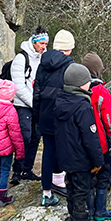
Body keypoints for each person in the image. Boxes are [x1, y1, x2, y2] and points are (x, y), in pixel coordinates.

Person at [54, 63, 104, 221]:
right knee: (82, 191)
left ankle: (72, 217)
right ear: (80, 85)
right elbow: (91, 138)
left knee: (71, 187)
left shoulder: (60, 101)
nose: (89, 84)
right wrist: (98, 161)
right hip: (82, 159)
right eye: (87, 81)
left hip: (66, 157)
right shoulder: (83, 107)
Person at [33, 29, 76, 207]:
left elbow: (36, 93)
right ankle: (60, 181)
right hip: (63, 116)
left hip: (45, 113)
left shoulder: (42, 64)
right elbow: (73, 95)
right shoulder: (71, 67)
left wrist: (37, 115)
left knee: (48, 151)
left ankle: (47, 191)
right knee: (63, 149)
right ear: (70, 48)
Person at [82, 53, 111, 221]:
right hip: (101, 144)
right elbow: (110, 123)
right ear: (97, 71)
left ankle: (89, 210)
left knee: (88, 177)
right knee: (104, 176)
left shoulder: (78, 89)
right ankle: (101, 210)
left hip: (83, 143)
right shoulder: (101, 92)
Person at [9, 27, 48, 185]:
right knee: (24, 137)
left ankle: (28, 169)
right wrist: (33, 103)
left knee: (35, 137)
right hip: (22, 104)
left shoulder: (43, 58)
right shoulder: (21, 58)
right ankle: (17, 170)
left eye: (46, 43)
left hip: (37, 104)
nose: (44, 47)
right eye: (42, 43)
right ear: (34, 42)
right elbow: (18, 85)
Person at [0, 78, 26, 207]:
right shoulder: (11, 111)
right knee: (5, 170)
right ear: (10, 96)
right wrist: (20, 151)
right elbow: (15, 134)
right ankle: (1, 198)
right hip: (6, 147)